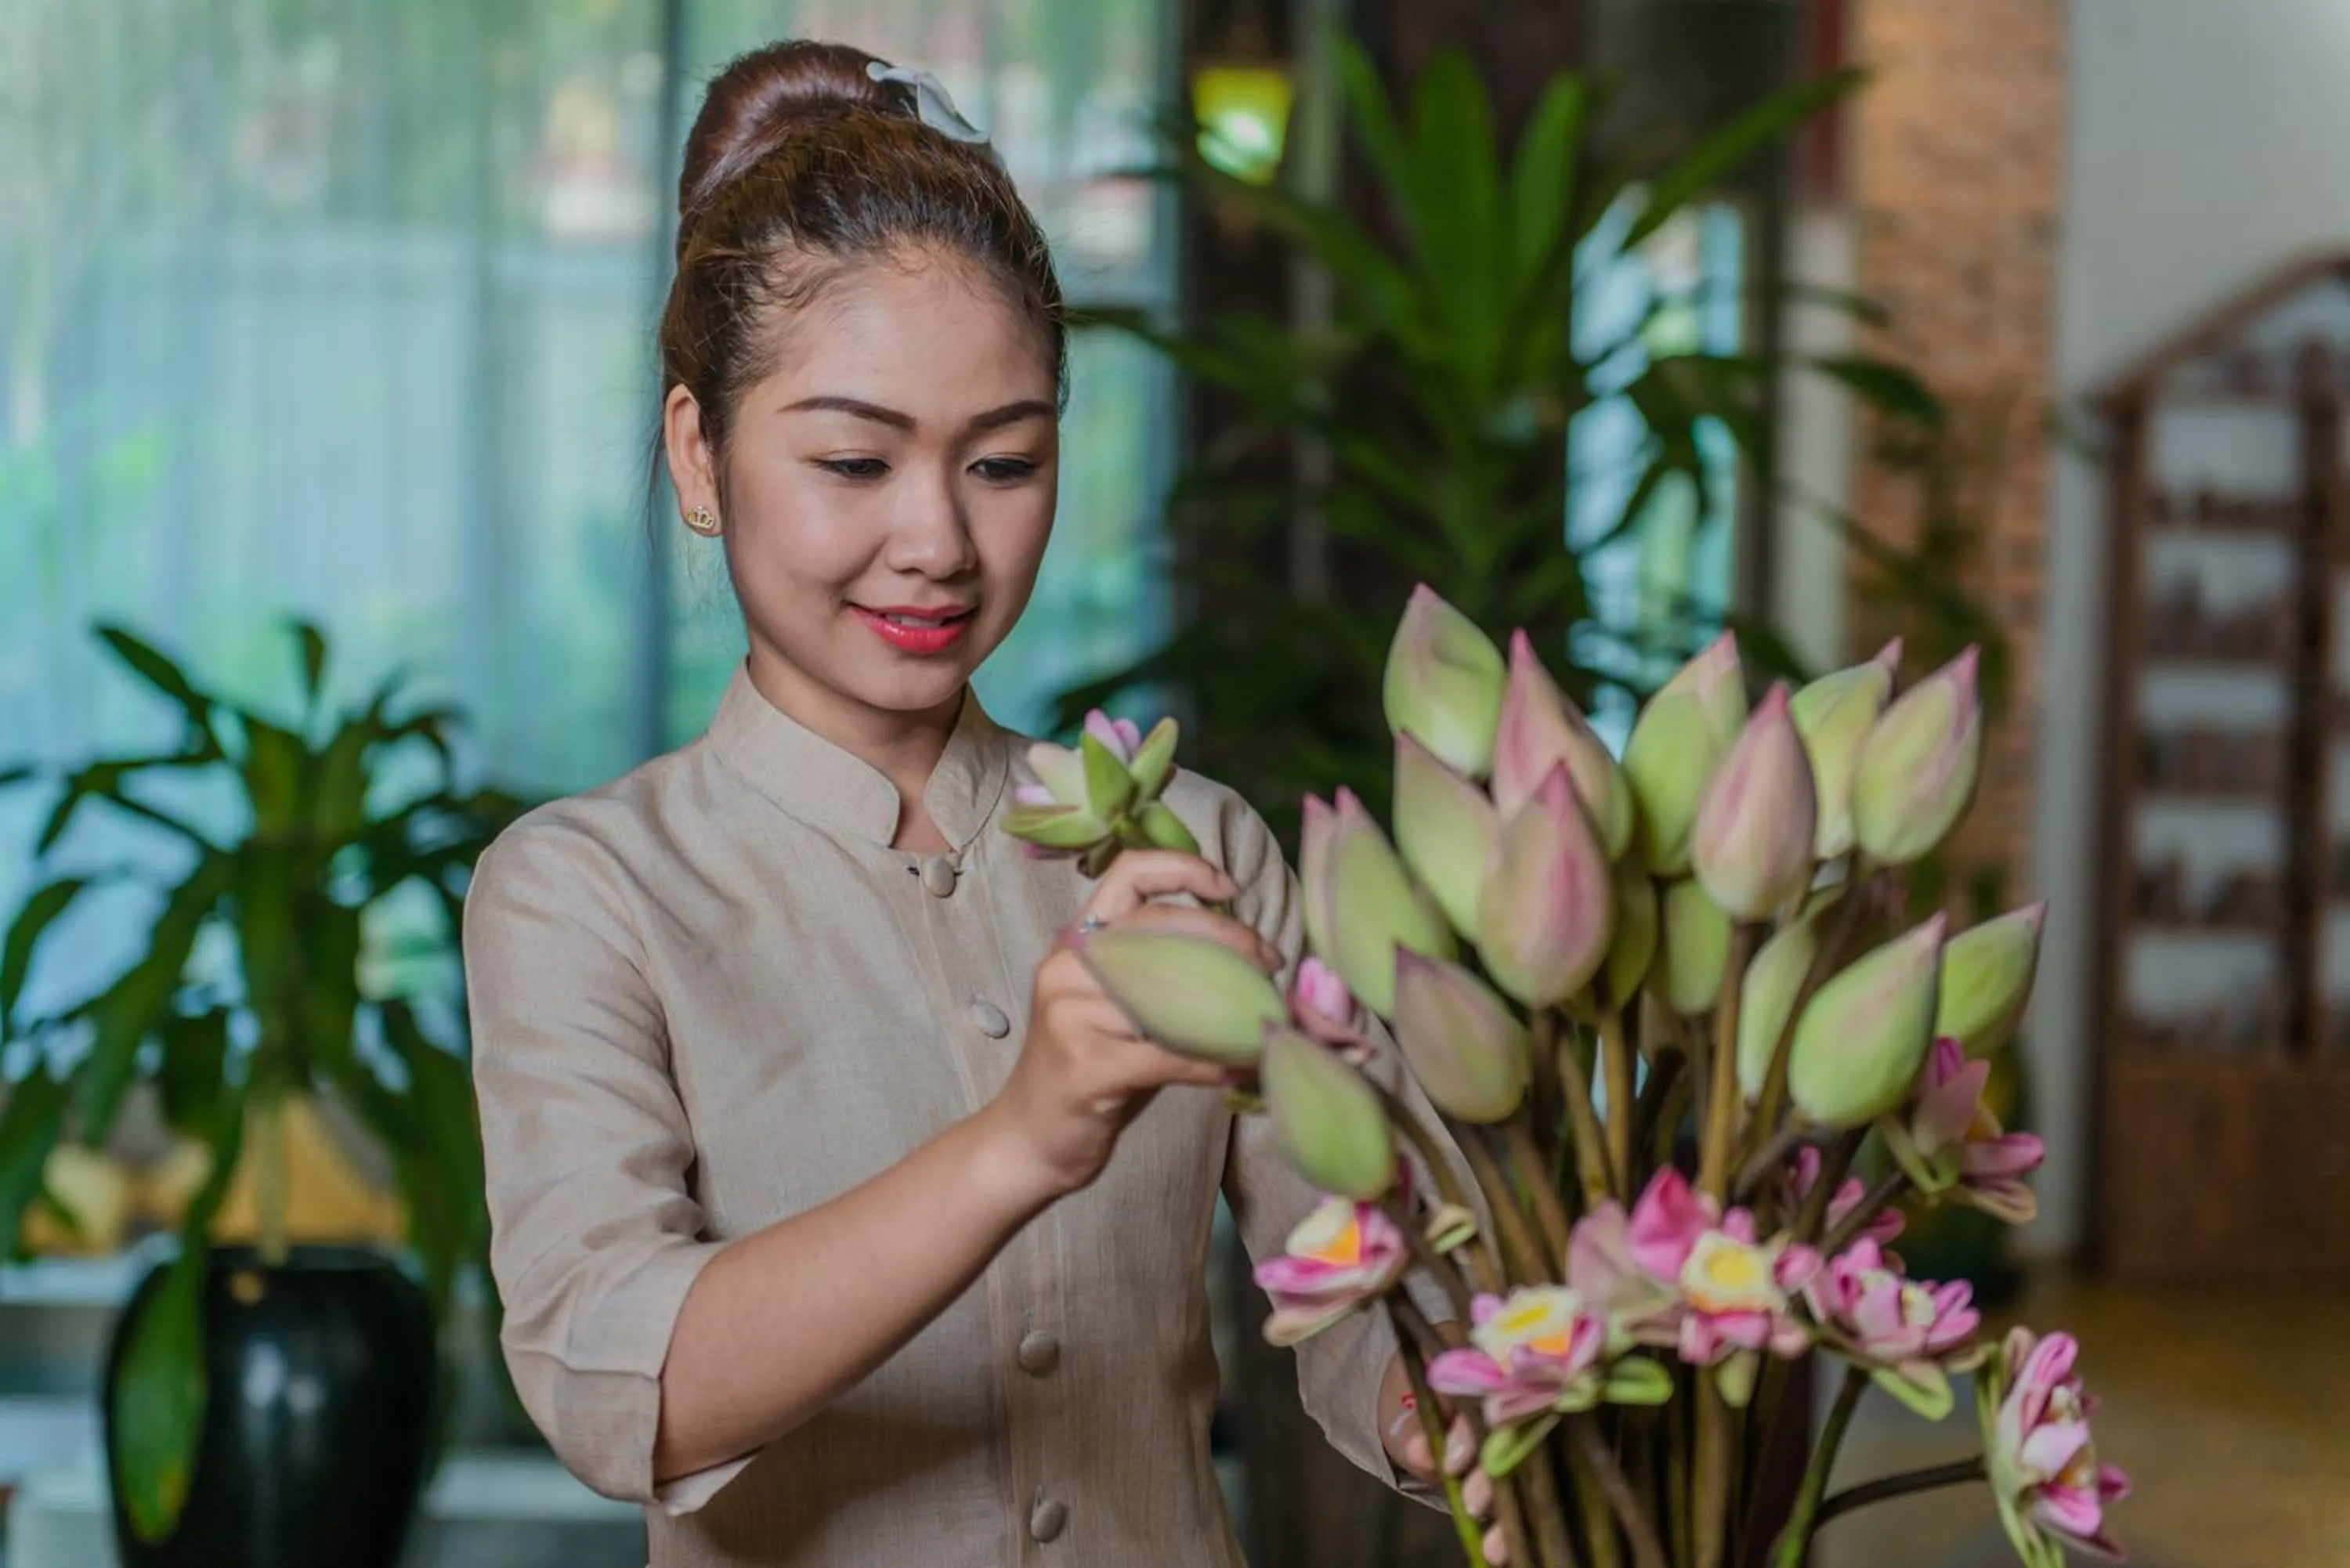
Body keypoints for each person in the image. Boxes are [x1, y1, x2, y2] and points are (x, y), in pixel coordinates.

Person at [460, 38, 1463, 1568]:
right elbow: (619, 1381)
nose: (936, 539)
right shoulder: (587, 890)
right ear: (697, 454)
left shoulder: (1194, 844)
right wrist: (1022, 1139)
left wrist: (1461, 1407)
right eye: (855, 459)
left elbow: (1371, 1279)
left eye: (1004, 462)